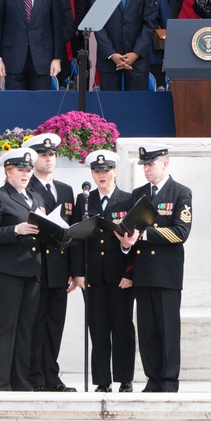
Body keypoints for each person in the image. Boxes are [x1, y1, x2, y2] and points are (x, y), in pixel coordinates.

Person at [116, 144, 192, 392]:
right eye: (145, 165)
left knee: (168, 330)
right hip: (143, 272)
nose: (147, 169)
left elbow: (181, 232)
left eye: (151, 165)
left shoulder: (180, 192)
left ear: (165, 164)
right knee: (147, 330)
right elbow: (129, 230)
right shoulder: (138, 193)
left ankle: (169, 380)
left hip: (167, 273)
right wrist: (127, 243)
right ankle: (153, 378)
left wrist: (145, 235)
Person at [0, 147, 44, 391]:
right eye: (20, 169)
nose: (26, 174)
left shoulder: (35, 198)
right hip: (4, 272)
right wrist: (16, 230)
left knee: (25, 329)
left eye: (28, 169)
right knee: (4, 327)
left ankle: (20, 381)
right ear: (8, 171)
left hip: (31, 272)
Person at [74, 150, 136, 393]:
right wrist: (78, 272)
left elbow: (133, 241)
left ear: (115, 171)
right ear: (91, 173)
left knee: (122, 327)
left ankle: (125, 379)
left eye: (106, 170)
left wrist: (129, 273)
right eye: (97, 171)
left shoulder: (128, 199)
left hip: (119, 274)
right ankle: (102, 380)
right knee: (97, 329)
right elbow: (77, 238)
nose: (102, 175)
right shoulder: (84, 200)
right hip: (93, 276)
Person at [25, 134, 78, 392]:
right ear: (34, 158)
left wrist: (74, 272)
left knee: (55, 325)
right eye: (44, 155)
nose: (49, 159)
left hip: (59, 270)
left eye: (52, 154)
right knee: (35, 325)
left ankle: (51, 376)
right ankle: (34, 377)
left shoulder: (66, 191)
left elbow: (75, 233)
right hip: (36, 267)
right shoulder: (27, 188)